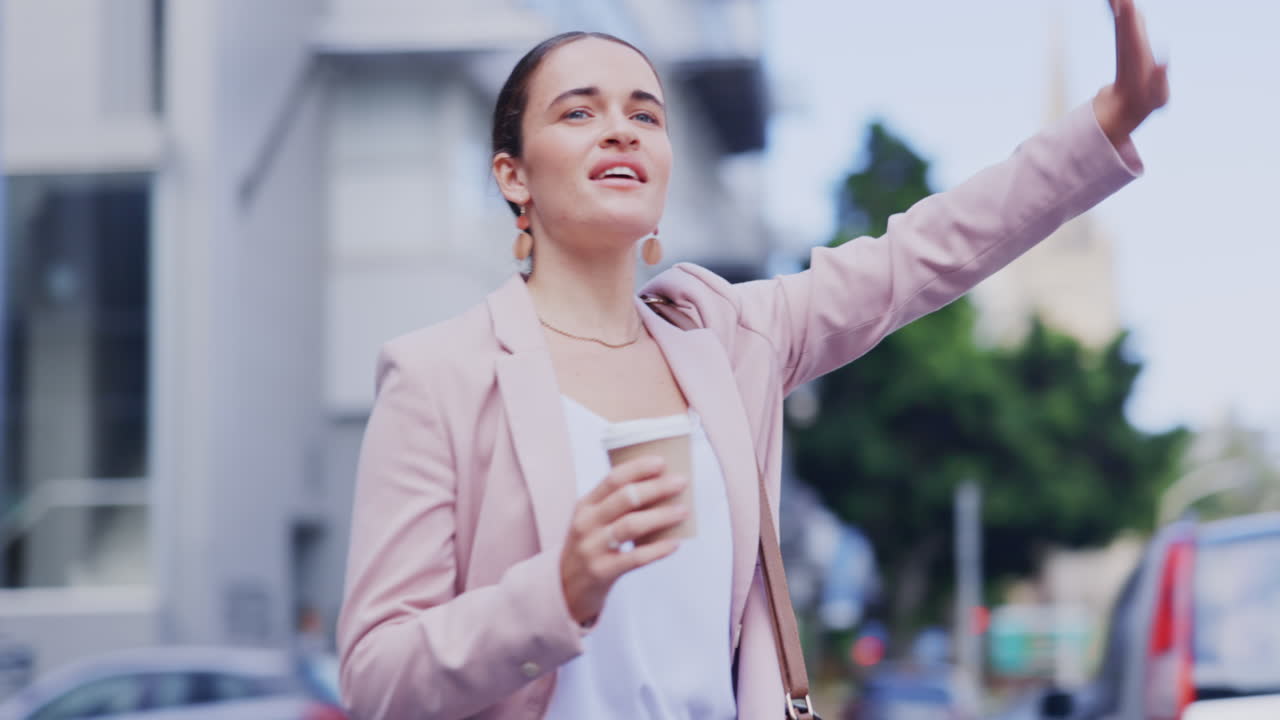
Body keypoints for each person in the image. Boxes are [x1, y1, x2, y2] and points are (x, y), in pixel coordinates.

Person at [336, 1, 1169, 717]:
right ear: (512, 175)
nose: (621, 126)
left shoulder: (730, 339)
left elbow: (919, 255)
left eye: (646, 113)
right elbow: (375, 677)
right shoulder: (437, 376)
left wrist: (1107, 122)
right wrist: (555, 594)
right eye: (579, 112)